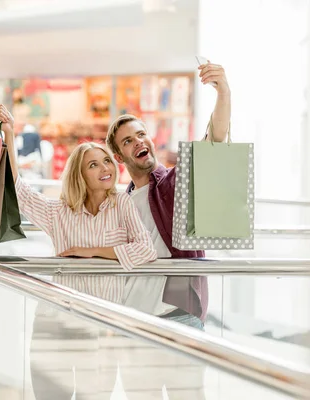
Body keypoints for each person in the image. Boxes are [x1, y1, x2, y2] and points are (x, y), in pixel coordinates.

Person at [106, 61, 231, 330]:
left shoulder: (173, 182)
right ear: (119, 157)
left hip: (176, 315)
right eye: (128, 141)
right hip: (130, 318)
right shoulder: (120, 202)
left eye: (141, 134)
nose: (139, 141)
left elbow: (214, 142)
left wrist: (223, 93)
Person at [0, 104, 157, 299]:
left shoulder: (122, 203)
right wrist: (9, 134)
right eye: (93, 165)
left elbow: (146, 250)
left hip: (109, 316)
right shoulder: (58, 212)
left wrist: (92, 252)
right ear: (80, 175)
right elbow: (17, 190)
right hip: (65, 313)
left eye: (106, 161)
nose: (105, 169)